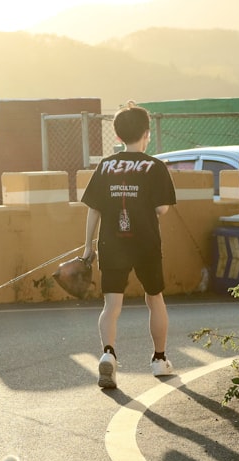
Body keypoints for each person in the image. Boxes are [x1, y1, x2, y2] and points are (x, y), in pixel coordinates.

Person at [80, 102, 177, 389]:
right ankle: (159, 360)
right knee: (154, 298)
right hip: (145, 242)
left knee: (112, 305)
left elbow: (93, 209)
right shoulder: (155, 166)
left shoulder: (105, 166)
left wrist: (88, 246)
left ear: (118, 136)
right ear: (146, 134)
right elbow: (161, 209)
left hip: (111, 242)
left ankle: (108, 354)